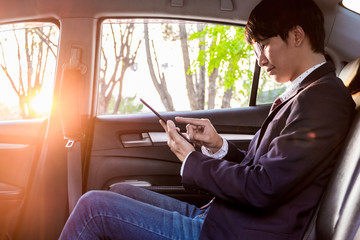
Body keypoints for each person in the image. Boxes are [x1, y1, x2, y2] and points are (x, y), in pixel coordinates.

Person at [59, 0, 356, 239]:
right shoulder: (305, 93)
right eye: (255, 49)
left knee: (92, 208)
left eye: (263, 44)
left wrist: (192, 159)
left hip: (239, 231)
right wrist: (218, 146)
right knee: (118, 191)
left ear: (297, 35)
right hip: (226, 217)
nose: (260, 60)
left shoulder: (323, 99)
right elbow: (265, 169)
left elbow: (263, 186)